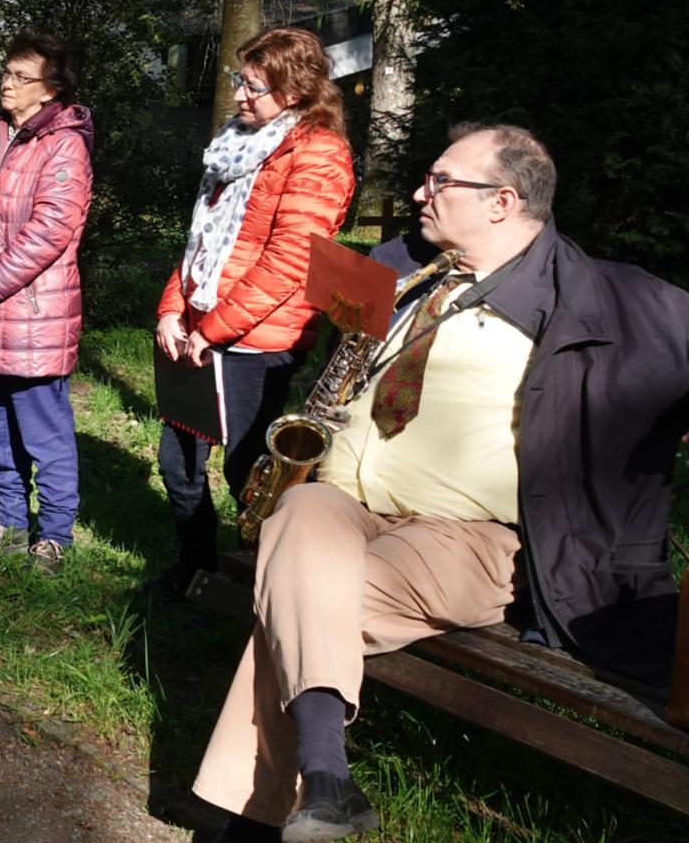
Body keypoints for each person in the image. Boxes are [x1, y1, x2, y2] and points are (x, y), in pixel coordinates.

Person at [193, 124, 689, 842]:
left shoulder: (593, 297)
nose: (420, 193)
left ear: (503, 201)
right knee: (297, 514)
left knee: (295, 598)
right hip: (342, 509)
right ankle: (326, 786)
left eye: (441, 181)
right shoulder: (417, 275)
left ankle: (282, 798)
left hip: (473, 541)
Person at [151, 27, 355, 597]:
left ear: (294, 92)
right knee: (178, 462)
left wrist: (213, 329)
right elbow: (200, 242)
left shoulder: (319, 153)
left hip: (259, 340)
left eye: (254, 86)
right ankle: (196, 568)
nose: (240, 95)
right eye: (239, 80)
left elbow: (292, 261)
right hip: (198, 330)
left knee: (248, 472)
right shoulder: (236, 141)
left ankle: (265, 588)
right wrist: (174, 310)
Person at [0, 31, 94, 573]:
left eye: (21, 77)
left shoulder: (64, 142)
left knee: (43, 432)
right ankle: (9, 521)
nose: (7, 84)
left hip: (35, 313)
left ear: (51, 90)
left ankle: (53, 535)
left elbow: (49, 232)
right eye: (6, 73)